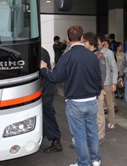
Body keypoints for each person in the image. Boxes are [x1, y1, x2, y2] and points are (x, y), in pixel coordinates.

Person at [40, 25, 102, 166]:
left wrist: (44, 69)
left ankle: (83, 163)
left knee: (79, 135)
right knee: (92, 131)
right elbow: (98, 78)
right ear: (82, 38)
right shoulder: (92, 55)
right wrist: (97, 93)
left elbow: (55, 77)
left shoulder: (66, 56)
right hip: (92, 99)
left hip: (75, 102)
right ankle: (96, 159)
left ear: (68, 39)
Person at [82, 32, 106, 145]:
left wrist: (98, 90)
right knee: (89, 116)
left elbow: (102, 75)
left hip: (96, 91)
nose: (83, 44)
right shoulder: (86, 54)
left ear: (91, 42)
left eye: (85, 42)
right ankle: (91, 136)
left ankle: (100, 136)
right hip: (87, 91)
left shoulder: (99, 55)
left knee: (99, 115)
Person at [40, 47, 62, 153]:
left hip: (45, 90)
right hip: (46, 89)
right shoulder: (42, 50)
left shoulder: (39, 52)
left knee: (47, 115)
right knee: (47, 114)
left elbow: (42, 71)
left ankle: (55, 140)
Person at [97, 34, 118, 130]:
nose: (96, 45)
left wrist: (114, 83)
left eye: (98, 43)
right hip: (96, 83)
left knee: (109, 104)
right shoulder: (93, 52)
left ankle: (111, 121)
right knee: (98, 105)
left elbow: (114, 68)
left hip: (107, 82)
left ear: (103, 43)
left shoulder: (109, 53)